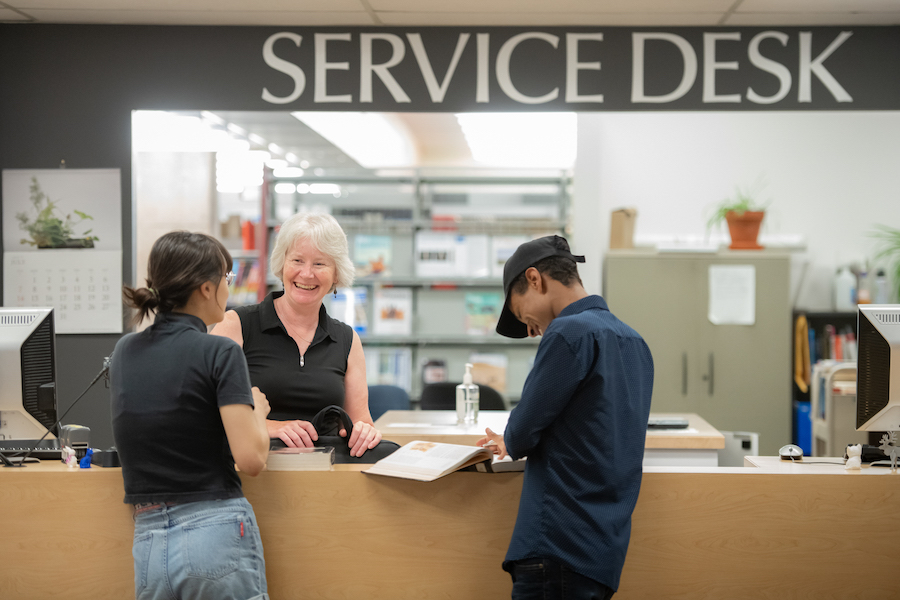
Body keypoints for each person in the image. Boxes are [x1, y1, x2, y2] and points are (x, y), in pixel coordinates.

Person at [478, 235, 654, 600]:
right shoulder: (633, 341)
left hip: (557, 542)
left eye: (518, 310)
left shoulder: (570, 332)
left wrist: (508, 439)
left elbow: (524, 430)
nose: (528, 328)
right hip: (603, 547)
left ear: (535, 279)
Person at [110, 231, 272, 600]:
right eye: (226, 279)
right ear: (205, 288)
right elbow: (251, 459)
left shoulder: (124, 351)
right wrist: (257, 411)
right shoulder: (219, 352)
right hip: (214, 530)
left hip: (149, 538)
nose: (229, 290)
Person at [213, 212, 381, 458]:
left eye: (320, 264)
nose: (306, 274)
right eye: (297, 260)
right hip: (254, 472)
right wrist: (269, 426)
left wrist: (366, 432)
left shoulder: (347, 340)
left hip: (328, 478)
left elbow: (361, 421)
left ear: (336, 274)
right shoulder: (236, 325)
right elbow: (203, 410)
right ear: (281, 264)